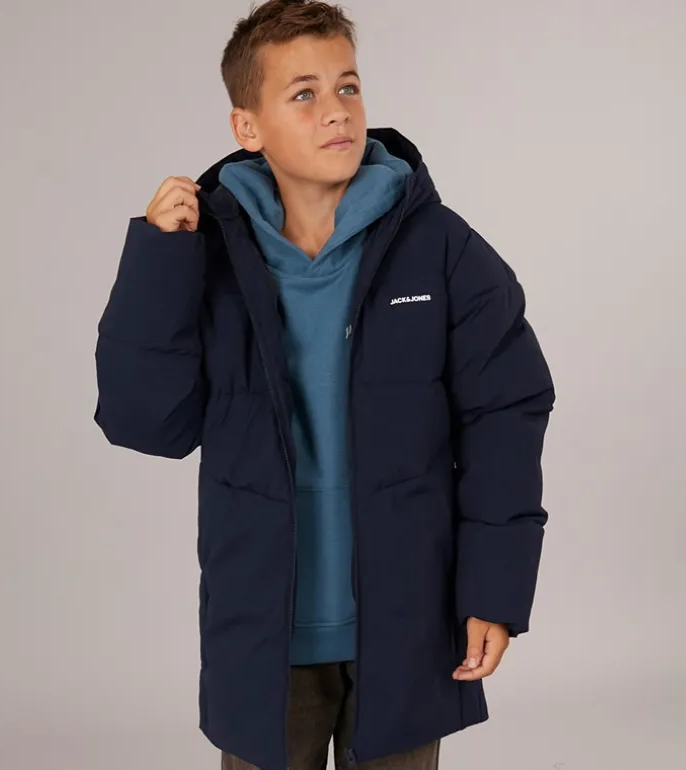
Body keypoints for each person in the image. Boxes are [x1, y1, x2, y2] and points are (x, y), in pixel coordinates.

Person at [93, 1, 556, 768]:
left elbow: (506, 413)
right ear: (248, 127)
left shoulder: (441, 249)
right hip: (264, 632)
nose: (336, 110)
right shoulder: (205, 255)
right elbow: (148, 424)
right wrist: (156, 264)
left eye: (347, 86)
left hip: (406, 626)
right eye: (303, 94)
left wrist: (494, 591)